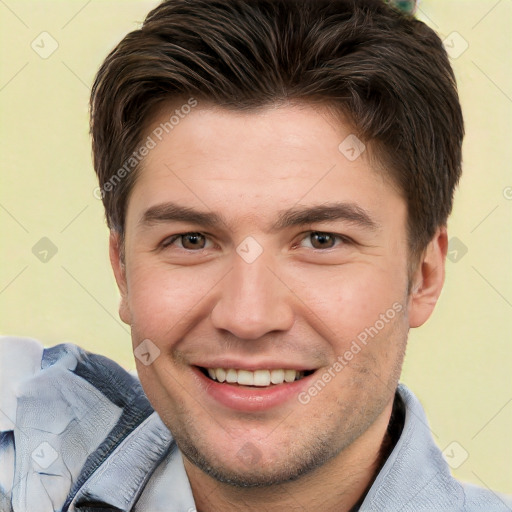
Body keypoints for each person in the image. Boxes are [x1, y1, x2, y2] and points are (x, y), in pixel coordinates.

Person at [1, 0, 510, 510]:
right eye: (191, 240)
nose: (248, 317)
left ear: (424, 274)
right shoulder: (28, 450)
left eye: (320, 240)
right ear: (122, 270)